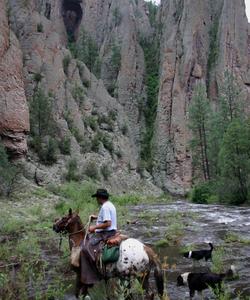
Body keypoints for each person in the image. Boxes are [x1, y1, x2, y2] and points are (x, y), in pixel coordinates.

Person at [79, 188, 117, 285]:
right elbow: (106, 218)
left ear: (100, 198)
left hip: (105, 233)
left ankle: (93, 275)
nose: (96, 200)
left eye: (97, 198)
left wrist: (94, 228)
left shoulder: (105, 207)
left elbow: (108, 223)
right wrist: (96, 217)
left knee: (84, 248)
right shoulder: (109, 205)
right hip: (111, 231)